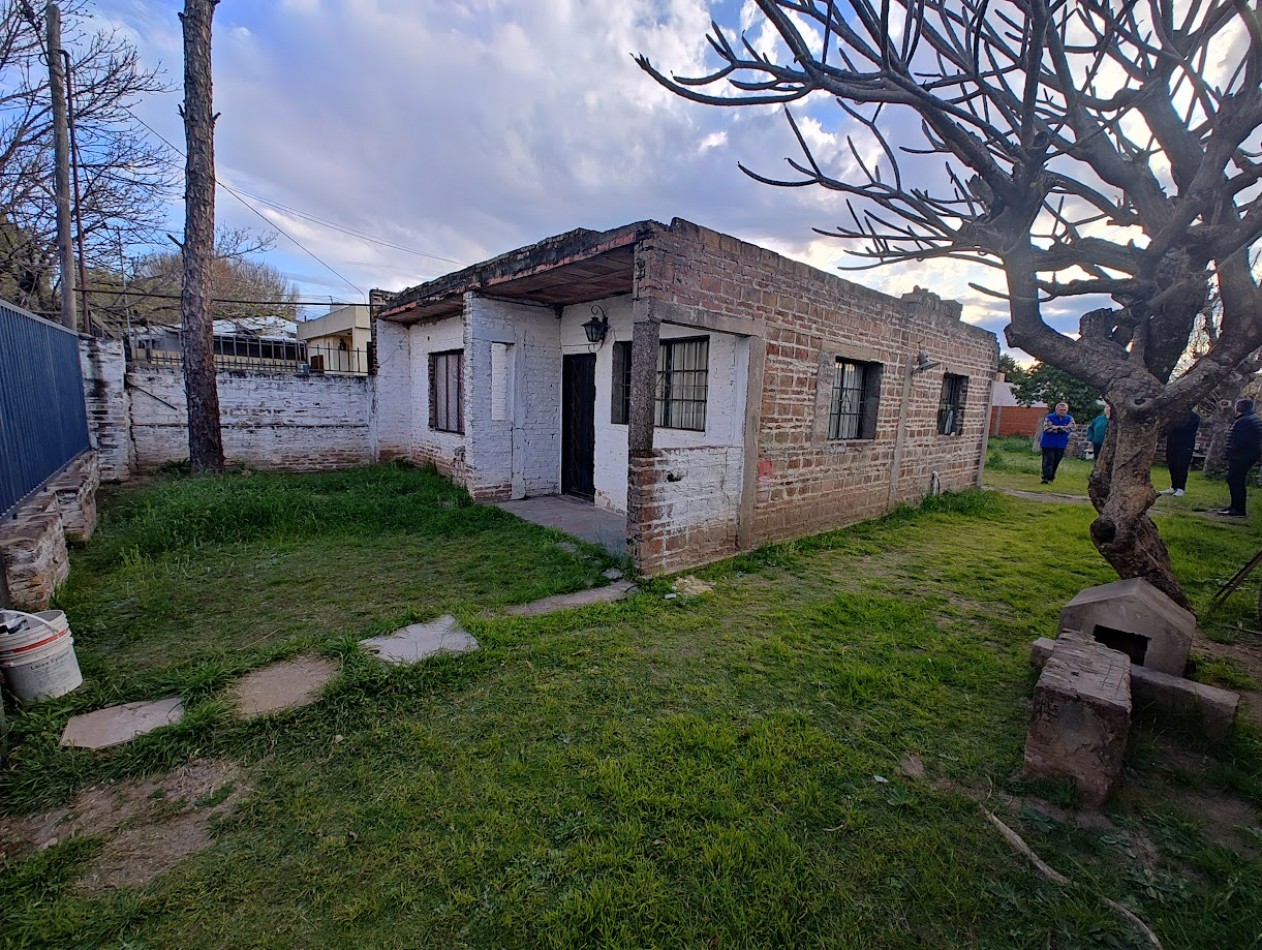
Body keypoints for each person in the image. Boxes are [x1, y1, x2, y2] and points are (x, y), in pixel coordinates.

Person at [1215, 398, 1262, 517]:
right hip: (1250, 454)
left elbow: (1242, 442)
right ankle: (1234, 506)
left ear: (1238, 408)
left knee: (1235, 480)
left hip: (1242, 456)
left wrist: (1231, 452)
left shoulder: (1244, 421)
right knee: (1236, 480)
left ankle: (1238, 509)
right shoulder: (1253, 419)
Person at [1158, 410, 1200, 497]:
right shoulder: (1174, 414)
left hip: (1185, 444)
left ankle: (1181, 488)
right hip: (1172, 443)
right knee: (1172, 464)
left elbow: (1186, 428)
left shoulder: (1194, 417)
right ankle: (1173, 486)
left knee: (1181, 465)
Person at [1039, 401, 1075, 484]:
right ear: (1056, 410)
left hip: (1061, 444)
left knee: (1056, 461)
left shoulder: (1069, 418)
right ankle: (1046, 478)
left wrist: (1057, 427)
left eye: (1064, 410)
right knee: (1048, 461)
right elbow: (1048, 428)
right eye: (1061, 410)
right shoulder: (1049, 417)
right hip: (1048, 443)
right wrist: (1063, 428)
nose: (1062, 411)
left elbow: (1072, 428)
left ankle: (1051, 477)